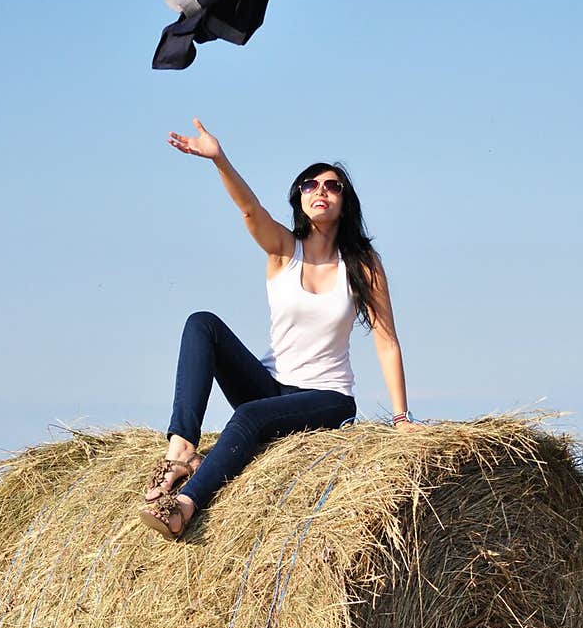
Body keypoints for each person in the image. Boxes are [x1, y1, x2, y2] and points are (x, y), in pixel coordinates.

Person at [139, 118, 417, 541]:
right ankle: (180, 450)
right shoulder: (283, 250)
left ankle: (184, 506)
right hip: (272, 386)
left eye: (331, 185)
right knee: (202, 324)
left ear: (346, 202)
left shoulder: (362, 264)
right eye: (310, 185)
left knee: (249, 417)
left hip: (327, 398)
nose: (320, 190)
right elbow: (250, 209)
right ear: (299, 197)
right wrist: (219, 159)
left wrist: (400, 418)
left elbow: (386, 340)